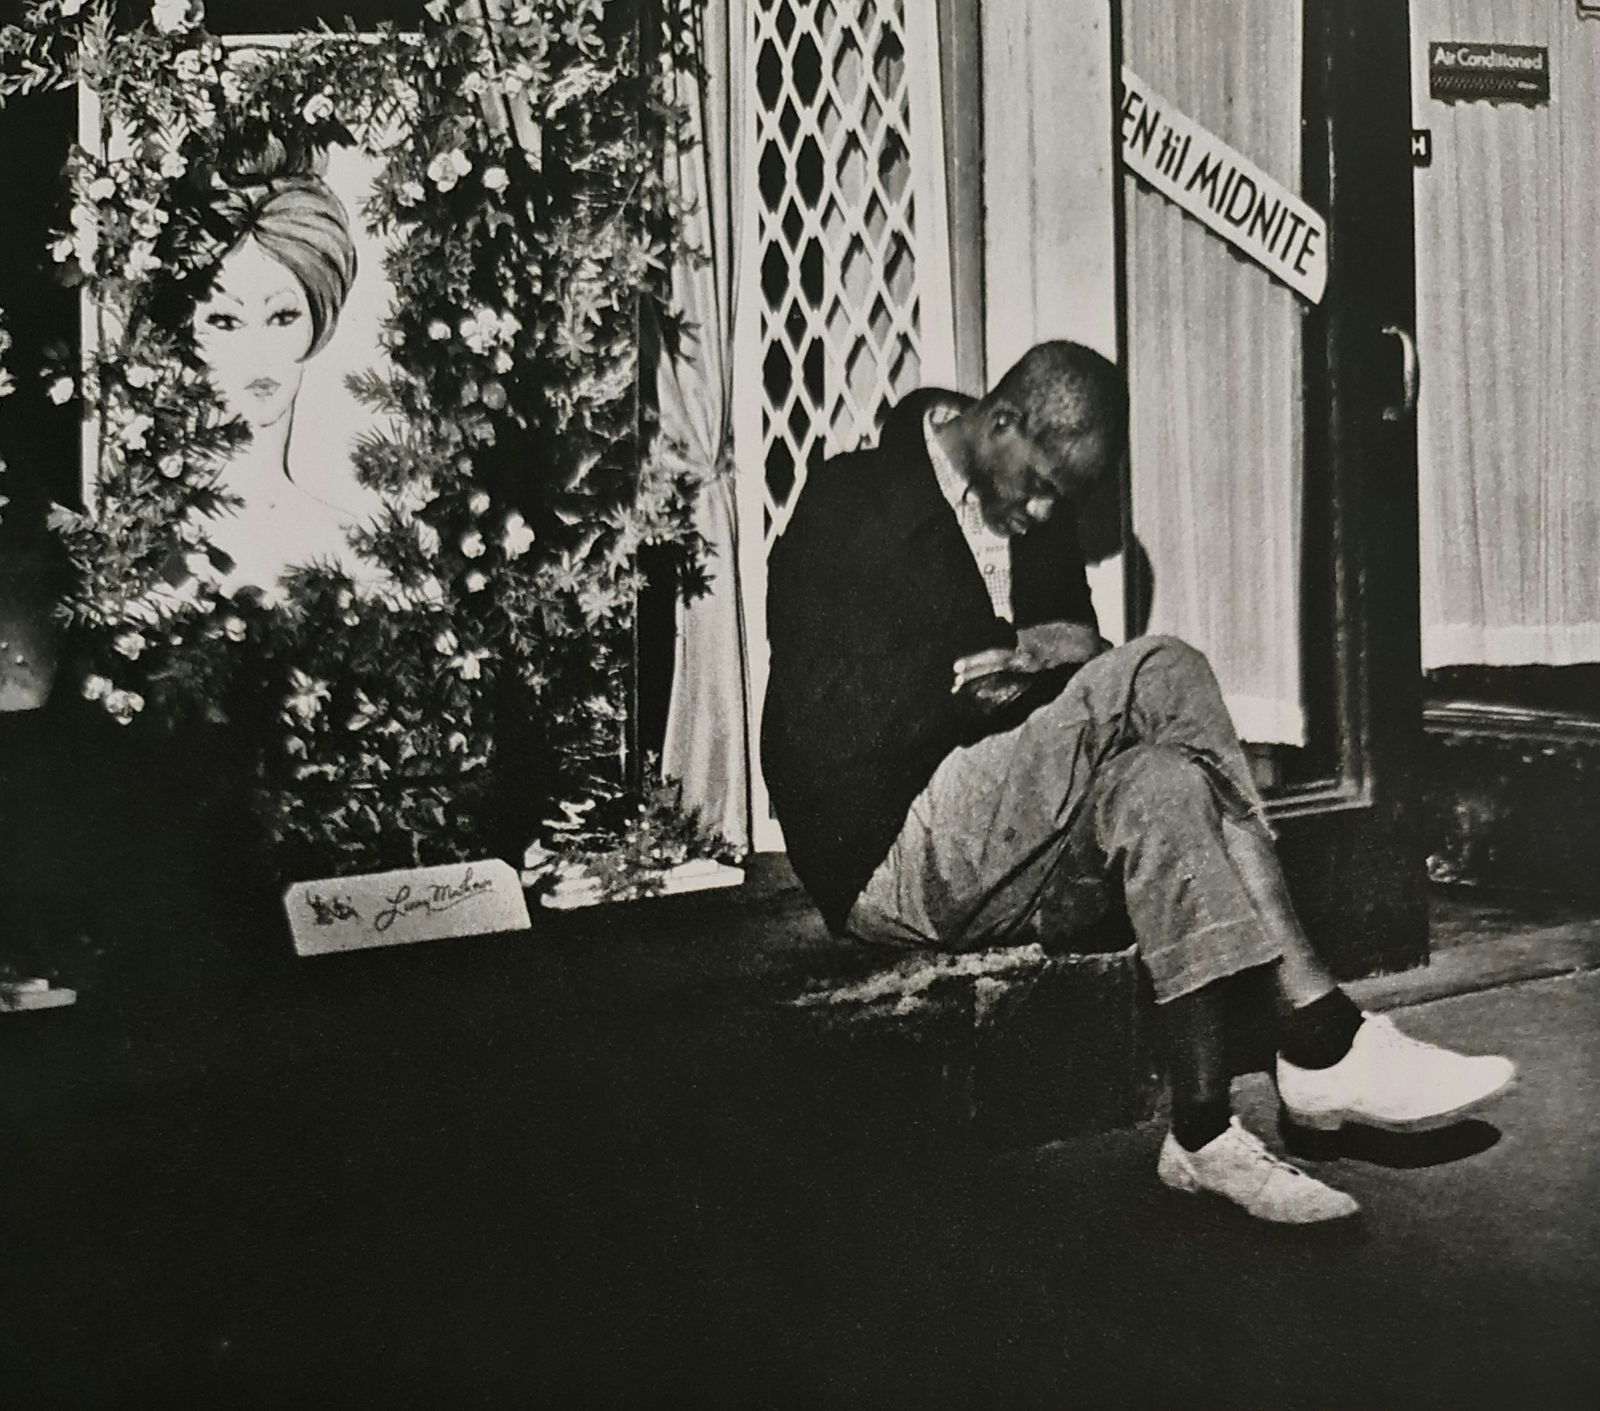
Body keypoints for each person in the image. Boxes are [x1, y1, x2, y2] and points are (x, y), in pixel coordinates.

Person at [762, 340, 1514, 1225]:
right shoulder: (852, 501)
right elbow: (815, 729)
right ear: (999, 423)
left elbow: (1076, 648)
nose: (1043, 511)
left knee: (1161, 782)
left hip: (1010, 843)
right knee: (1167, 666)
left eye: (1062, 499)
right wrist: (956, 693)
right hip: (887, 850)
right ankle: (1319, 1033)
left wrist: (1034, 659)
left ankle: (1201, 1134)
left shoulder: (1031, 515)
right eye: (1038, 482)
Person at [188, 147, 378, 593]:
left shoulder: (349, 550)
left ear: (319, 316)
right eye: (225, 320)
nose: (259, 354)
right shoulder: (148, 547)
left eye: (282, 316)